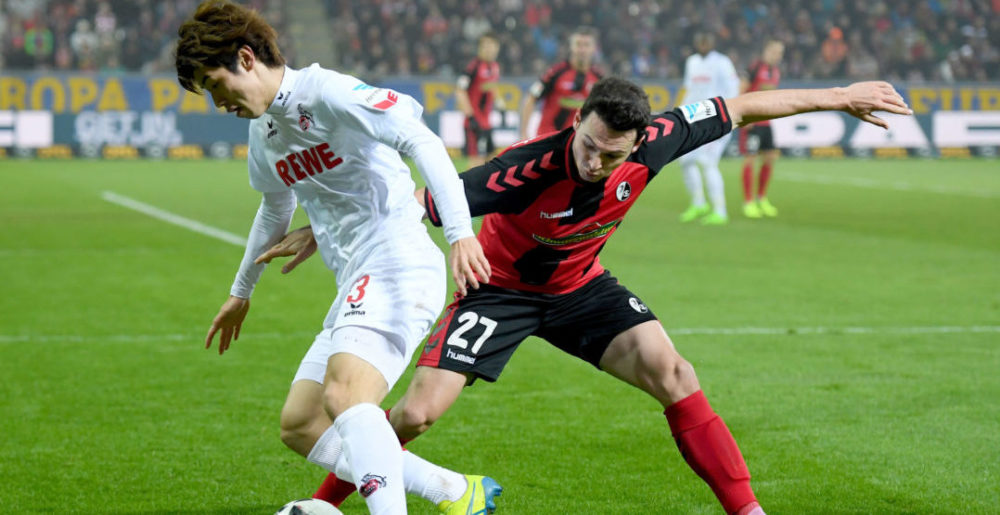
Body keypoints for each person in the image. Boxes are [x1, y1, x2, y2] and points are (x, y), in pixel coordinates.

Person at [269, 77, 912, 513]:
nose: (594, 163)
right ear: (576, 122)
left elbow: (740, 107)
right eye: (588, 146)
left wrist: (841, 96)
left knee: (675, 372)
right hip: (498, 292)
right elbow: (420, 202)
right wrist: (321, 235)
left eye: (611, 155)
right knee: (415, 414)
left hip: (581, 288)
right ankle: (325, 505)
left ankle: (748, 508)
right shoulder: (524, 167)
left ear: (640, 142)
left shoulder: (659, 140)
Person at [174, 2, 500, 514]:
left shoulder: (327, 92)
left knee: (346, 395)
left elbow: (421, 139)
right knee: (301, 424)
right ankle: (455, 491)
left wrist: (461, 232)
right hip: (356, 278)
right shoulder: (264, 135)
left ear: (245, 58)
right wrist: (241, 293)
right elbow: (274, 207)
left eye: (215, 84)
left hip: (398, 260)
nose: (219, 103)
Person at [677, 31, 741, 225]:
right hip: (694, 117)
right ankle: (698, 203)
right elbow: (688, 89)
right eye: (700, 41)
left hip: (717, 118)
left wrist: (729, 113)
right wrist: (679, 111)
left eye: (706, 41)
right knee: (685, 161)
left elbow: (733, 88)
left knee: (707, 162)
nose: (703, 44)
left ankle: (720, 211)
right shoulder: (692, 62)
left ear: (712, 43)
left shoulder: (722, 62)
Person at [518, 25, 602, 140]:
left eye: (586, 45)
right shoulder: (555, 73)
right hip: (549, 140)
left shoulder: (598, 79)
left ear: (594, 48)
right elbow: (531, 97)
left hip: (577, 144)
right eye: (578, 44)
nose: (582, 50)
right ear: (571, 47)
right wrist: (524, 132)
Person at [740, 39, 785, 218]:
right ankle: (748, 201)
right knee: (750, 158)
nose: (777, 55)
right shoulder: (754, 68)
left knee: (770, 158)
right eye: (774, 51)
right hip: (753, 121)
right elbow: (741, 91)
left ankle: (761, 198)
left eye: (780, 52)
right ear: (765, 50)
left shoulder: (775, 72)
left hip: (767, 122)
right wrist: (745, 117)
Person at [456, 32, 502, 168]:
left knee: (492, 159)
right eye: (485, 45)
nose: (489, 49)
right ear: (480, 48)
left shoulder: (495, 67)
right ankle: (467, 189)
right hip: (474, 123)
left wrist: (500, 105)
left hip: (486, 122)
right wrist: (470, 116)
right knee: (475, 161)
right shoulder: (473, 67)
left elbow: (492, 87)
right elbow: (460, 90)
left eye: (492, 45)